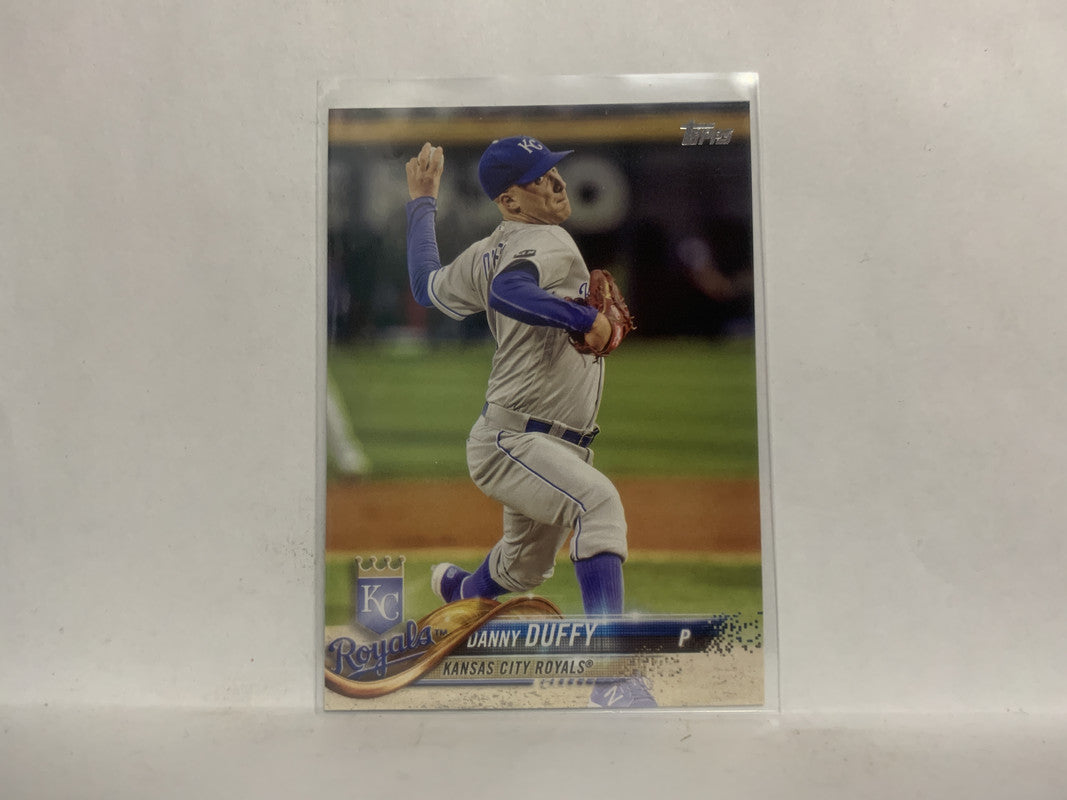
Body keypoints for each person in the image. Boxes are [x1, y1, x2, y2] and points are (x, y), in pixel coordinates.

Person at [403, 136, 654, 708]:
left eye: (554, 170)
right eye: (540, 177)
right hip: (513, 441)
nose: (557, 182)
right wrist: (582, 318)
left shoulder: (485, 251)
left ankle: (460, 595)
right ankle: (611, 681)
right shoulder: (549, 242)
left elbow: (425, 285)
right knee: (598, 505)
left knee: (522, 569)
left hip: (530, 442)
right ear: (510, 201)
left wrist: (421, 202)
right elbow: (509, 290)